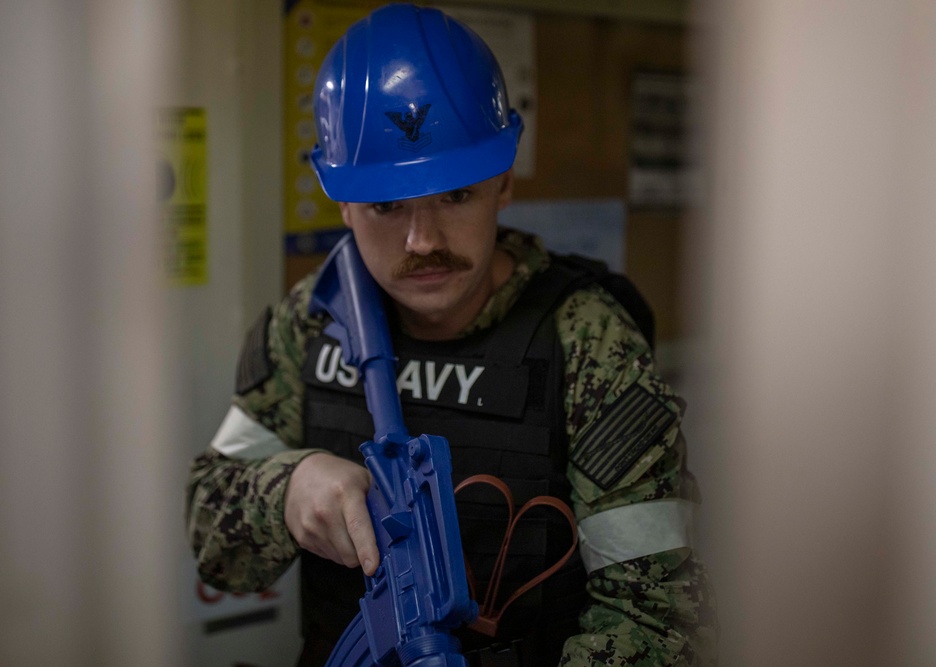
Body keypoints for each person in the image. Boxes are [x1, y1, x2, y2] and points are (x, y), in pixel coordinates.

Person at [187, 4, 716, 665]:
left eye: (455, 195)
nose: (424, 241)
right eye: (386, 206)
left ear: (502, 180)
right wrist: (288, 488)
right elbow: (211, 533)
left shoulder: (586, 343)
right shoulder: (312, 326)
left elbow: (660, 617)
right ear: (343, 203)